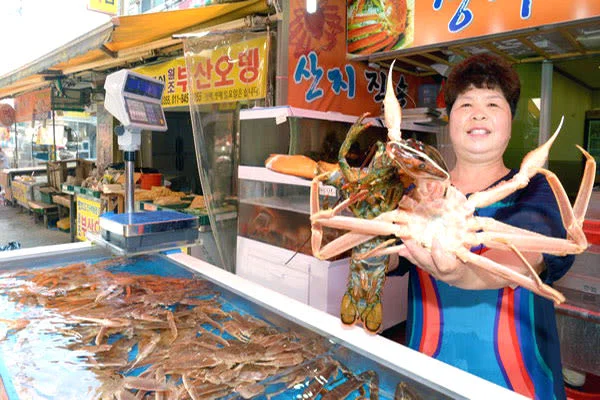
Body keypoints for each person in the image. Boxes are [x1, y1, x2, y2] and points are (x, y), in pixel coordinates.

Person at [392, 53, 574, 399]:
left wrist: (459, 273)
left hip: (520, 387)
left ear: (511, 119)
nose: (478, 113)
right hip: (425, 379)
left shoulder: (537, 189)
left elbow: (524, 260)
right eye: (465, 104)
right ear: (449, 119)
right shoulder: (421, 192)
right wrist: (361, 241)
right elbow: (387, 253)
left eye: (493, 103)